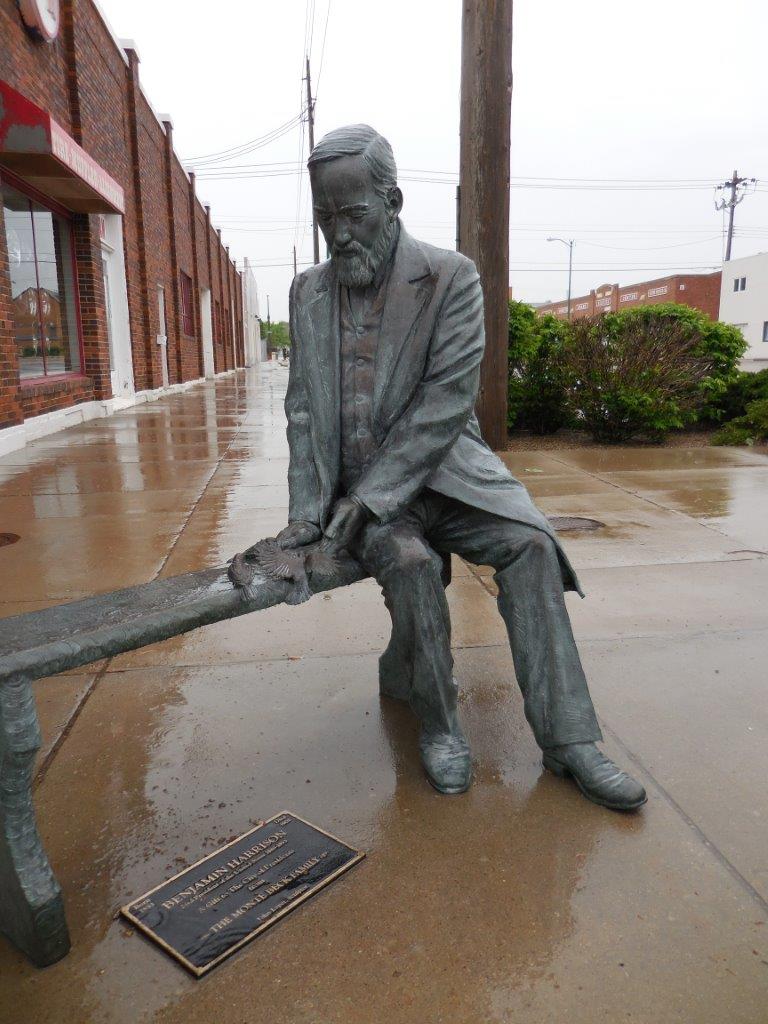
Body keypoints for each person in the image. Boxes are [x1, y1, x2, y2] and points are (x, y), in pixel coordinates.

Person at [276, 124, 645, 812]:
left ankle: (570, 741)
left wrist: (376, 495)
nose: (339, 235)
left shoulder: (450, 277)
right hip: (366, 498)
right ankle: (442, 728)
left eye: (353, 215)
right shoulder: (307, 294)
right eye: (325, 217)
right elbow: (302, 411)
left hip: (446, 477)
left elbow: (446, 401)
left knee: (533, 547)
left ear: (393, 202)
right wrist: (306, 517)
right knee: (413, 569)